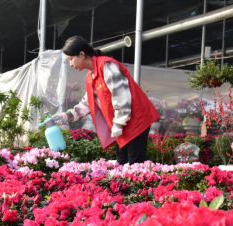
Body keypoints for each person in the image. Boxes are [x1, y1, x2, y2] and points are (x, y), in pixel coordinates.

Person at [48, 36, 160, 165]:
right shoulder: (91, 76)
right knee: (122, 163)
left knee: (134, 165)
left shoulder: (107, 66)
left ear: (82, 54)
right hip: (122, 124)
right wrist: (64, 116)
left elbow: (122, 96)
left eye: (71, 59)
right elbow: (87, 104)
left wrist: (118, 123)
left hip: (136, 120)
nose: (71, 64)